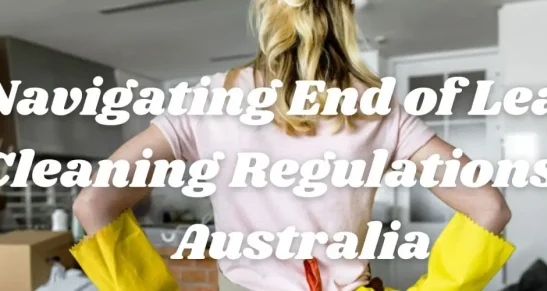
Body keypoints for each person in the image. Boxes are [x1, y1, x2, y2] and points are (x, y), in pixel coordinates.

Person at [72, 0, 512, 290]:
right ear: (344, 14)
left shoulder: (205, 99)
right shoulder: (376, 107)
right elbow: (489, 207)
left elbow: (93, 203)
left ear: (265, 12)